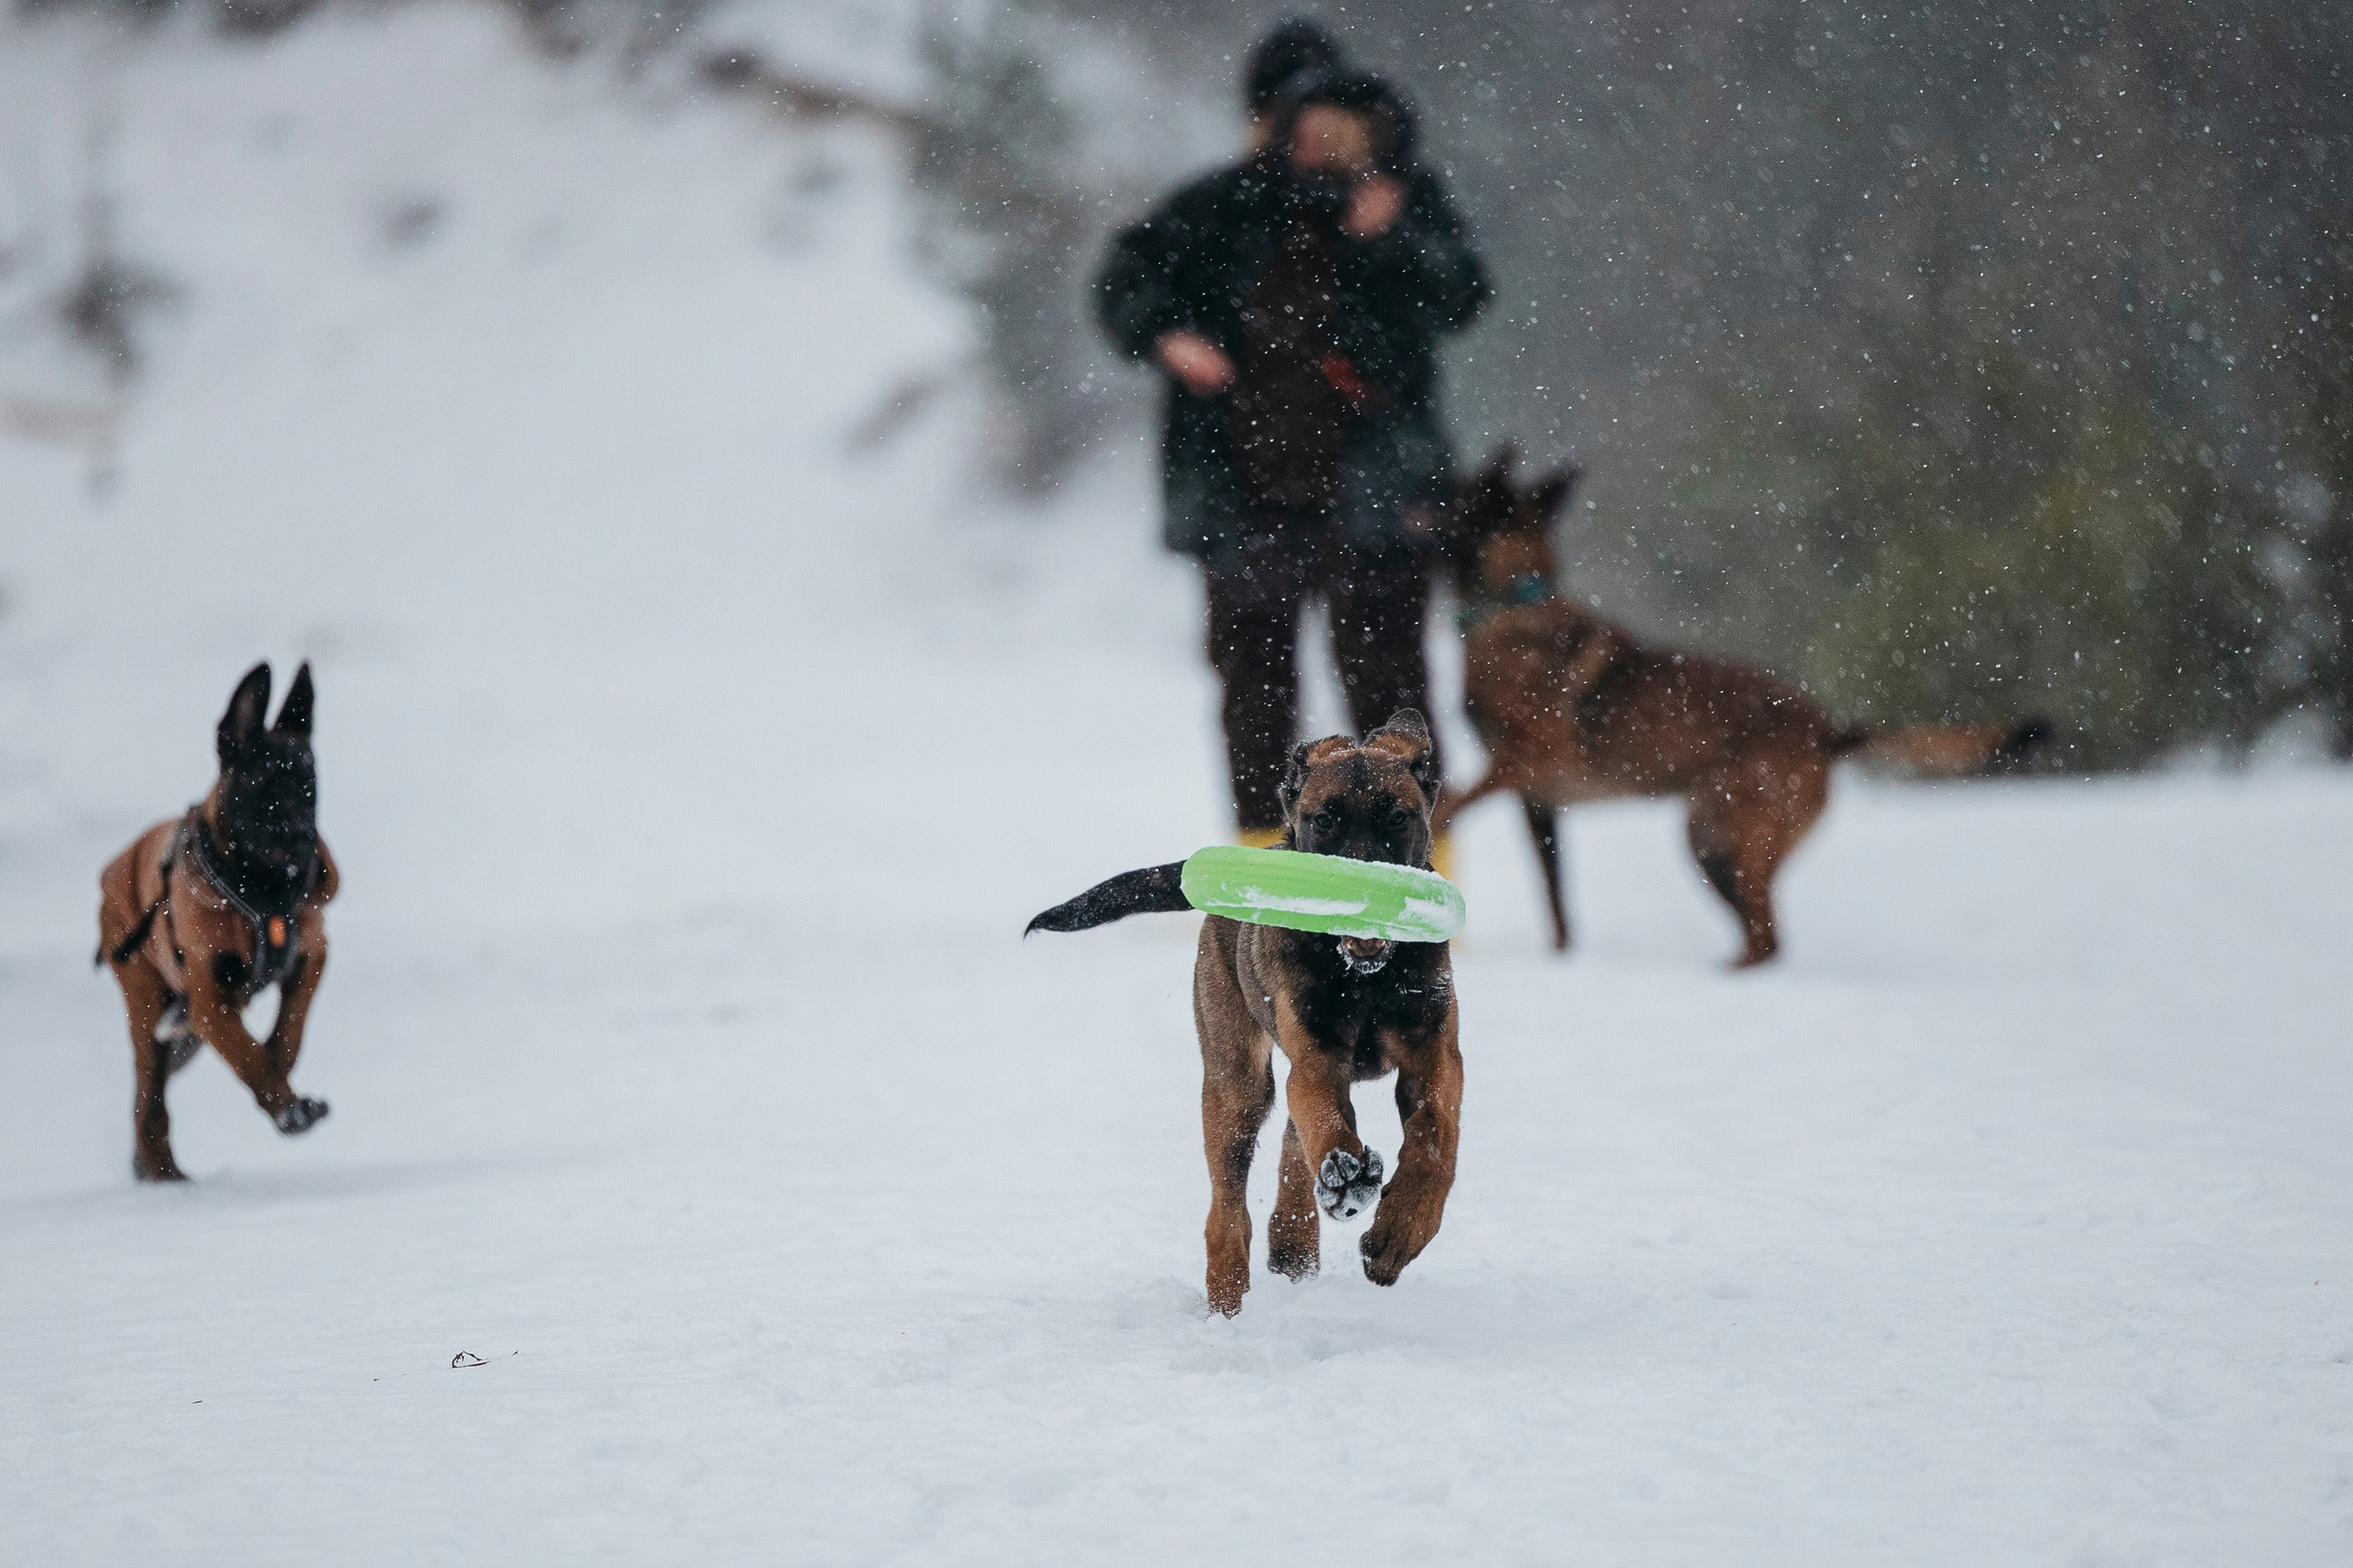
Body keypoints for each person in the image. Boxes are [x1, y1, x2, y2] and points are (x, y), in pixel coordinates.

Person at [1095, 22, 1490, 854]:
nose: (1314, 130)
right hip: (1246, 494)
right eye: (1295, 115)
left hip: (1376, 496)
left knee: (1390, 690)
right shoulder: (1219, 208)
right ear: (1264, 123)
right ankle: (1264, 858)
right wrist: (1167, 334)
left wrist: (1390, 239)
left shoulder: (1401, 201)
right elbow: (1122, 279)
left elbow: (1463, 295)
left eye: (1333, 113)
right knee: (1254, 689)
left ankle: (1422, 858)